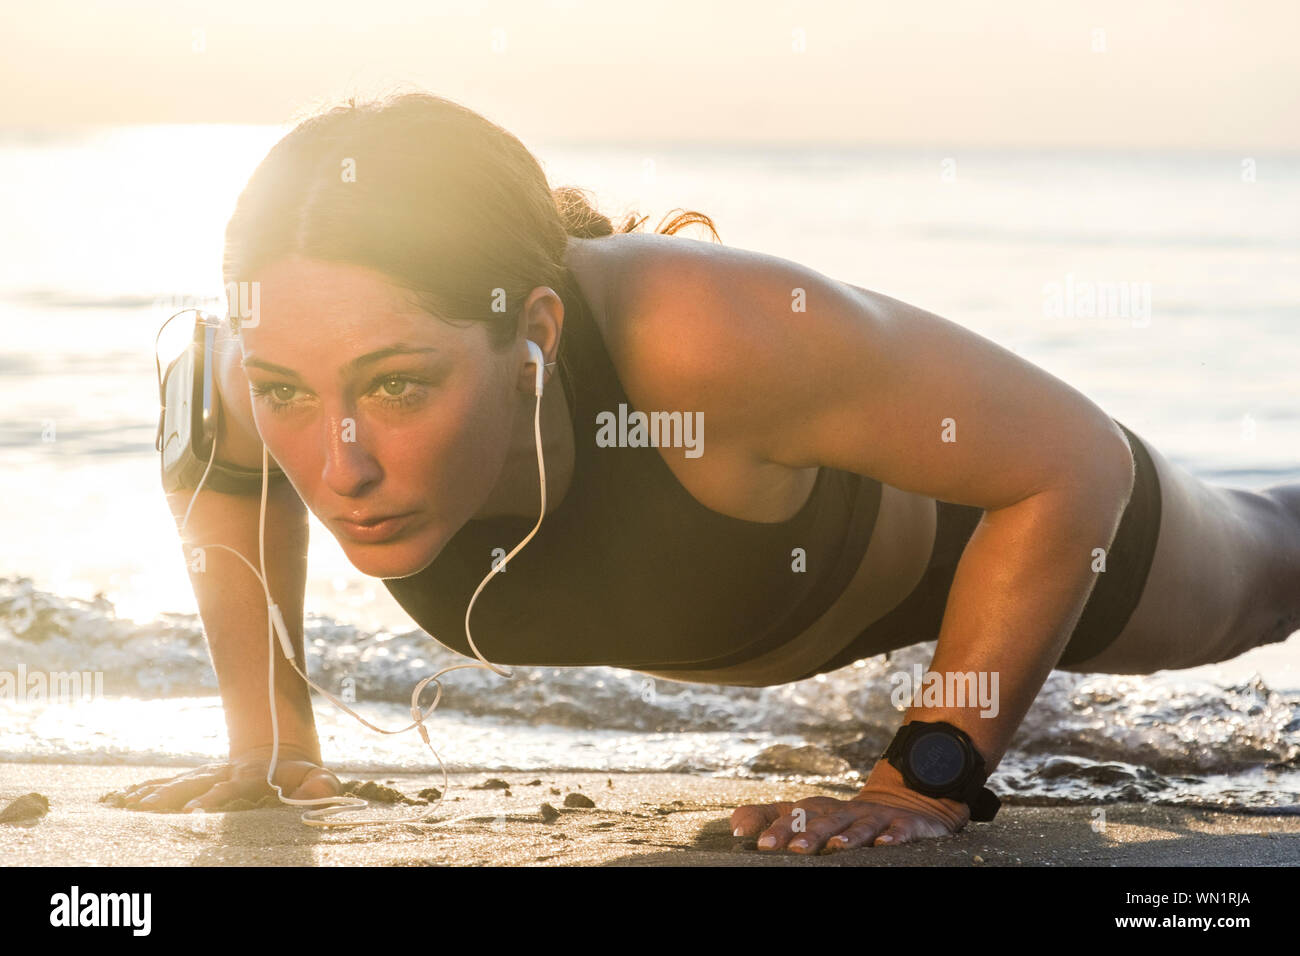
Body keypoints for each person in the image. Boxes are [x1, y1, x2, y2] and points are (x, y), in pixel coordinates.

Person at [116, 92, 1300, 854]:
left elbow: (1068, 461)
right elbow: (211, 453)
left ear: (531, 329)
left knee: (1272, 565)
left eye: (401, 385)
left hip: (1019, 528)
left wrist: (922, 775)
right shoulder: (252, 369)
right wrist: (271, 739)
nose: (342, 460)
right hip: (821, 593)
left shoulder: (698, 336)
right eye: (286, 394)